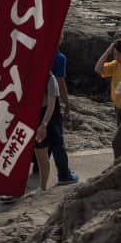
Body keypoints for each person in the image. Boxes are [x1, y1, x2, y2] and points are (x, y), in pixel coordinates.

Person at [45, 47, 78, 184]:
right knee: (57, 138)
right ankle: (64, 174)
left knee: (40, 137)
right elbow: (60, 83)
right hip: (51, 99)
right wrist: (67, 104)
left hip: (35, 101)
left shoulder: (39, 51)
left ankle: (38, 167)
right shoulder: (59, 57)